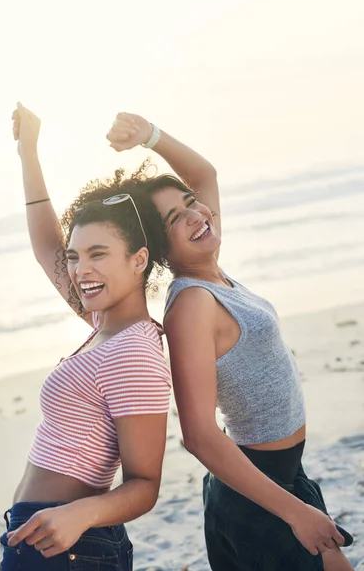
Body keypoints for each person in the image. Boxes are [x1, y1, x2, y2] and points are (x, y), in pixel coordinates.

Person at [106, 112, 355, 571]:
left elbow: (205, 175)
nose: (199, 215)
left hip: (281, 477)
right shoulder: (192, 304)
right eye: (177, 218)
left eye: (192, 203)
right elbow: (198, 434)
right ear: (159, 249)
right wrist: (296, 513)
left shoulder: (213, 274)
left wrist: (151, 137)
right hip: (258, 493)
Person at [0, 103, 171, 570]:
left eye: (98, 254)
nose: (80, 270)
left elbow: (145, 484)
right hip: (45, 536)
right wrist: (28, 152)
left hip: (72, 543)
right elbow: (46, 249)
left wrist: (77, 515)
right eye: (76, 256)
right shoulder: (104, 325)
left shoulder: (134, 350)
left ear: (138, 260)